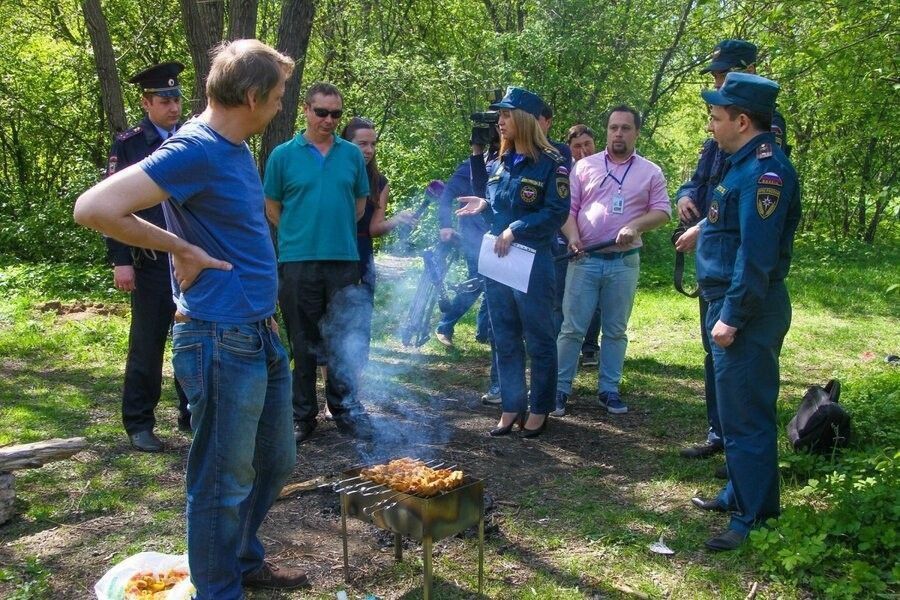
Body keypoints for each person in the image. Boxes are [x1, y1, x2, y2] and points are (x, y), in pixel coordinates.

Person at [75, 39, 306, 596]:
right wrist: (180, 248)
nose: (280, 107)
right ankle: (218, 588)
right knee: (221, 483)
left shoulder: (232, 147)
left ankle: (241, 560)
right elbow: (95, 208)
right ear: (251, 96)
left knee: (275, 460)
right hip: (220, 340)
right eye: (276, 98)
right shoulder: (196, 149)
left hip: (258, 331)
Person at [683, 72, 800, 551]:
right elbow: (727, 232)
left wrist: (731, 316)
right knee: (732, 413)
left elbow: (756, 257)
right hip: (724, 301)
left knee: (748, 414)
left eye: (716, 117)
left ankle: (754, 517)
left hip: (746, 311)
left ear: (743, 120)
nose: (711, 125)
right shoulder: (739, 163)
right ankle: (738, 490)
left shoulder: (765, 173)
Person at [675, 39, 791, 461]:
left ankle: (744, 476)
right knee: (719, 364)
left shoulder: (761, 133)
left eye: (725, 73)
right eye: (717, 74)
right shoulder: (724, 129)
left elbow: (752, 221)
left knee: (742, 384)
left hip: (734, 274)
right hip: (719, 272)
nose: (719, 80)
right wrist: (687, 195)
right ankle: (722, 435)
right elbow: (702, 177)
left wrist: (705, 227)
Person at [456, 86, 570, 439]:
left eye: (506, 116)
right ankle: (511, 405)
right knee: (503, 335)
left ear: (522, 119)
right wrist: (484, 204)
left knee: (538, 337)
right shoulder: (501, 162)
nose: (500, 122)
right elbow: (503, 203)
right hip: (498, 262)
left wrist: (516, 229)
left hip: (532, 262)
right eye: (499, 116)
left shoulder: (551, 165)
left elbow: (556, 212)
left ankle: (539, 408)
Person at [264, 82, 373, 444]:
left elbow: (359, 206)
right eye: (322, 112)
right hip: (297, 261)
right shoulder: (282, 155)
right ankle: (302, 415)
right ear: (307, 111)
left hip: (343, 260)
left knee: (343, 338)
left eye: (336, 114)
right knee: (302, 340)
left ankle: (345, 410)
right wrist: (301, 235)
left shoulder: (351, 155)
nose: (329, 120)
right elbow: (273, 208)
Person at [554, 105, 671, 417]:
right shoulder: (583, 167)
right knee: (571, 329)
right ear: (606, 130)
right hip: (585, 259)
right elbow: (568, 209)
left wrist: (635, 226)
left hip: (624, 262)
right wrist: (573, 237)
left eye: (625, 128)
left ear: (636, 132)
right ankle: (559, 389)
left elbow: (662, 211)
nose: (618, 133)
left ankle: (609, 389)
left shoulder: (651, 171)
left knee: (615, 330)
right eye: (613, 127)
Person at [105, 62, 191, 452]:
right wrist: (120, 257)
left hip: (190, 257)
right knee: (148, 343)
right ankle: (139, 422)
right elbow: (110, 205)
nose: (173, 106)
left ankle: (192, 413)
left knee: (191, 338)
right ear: (146, 102)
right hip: (151, 259)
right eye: (164, 99)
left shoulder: (192, 138)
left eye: (176, 98)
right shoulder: (130, 143)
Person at [341, 116, 416, 367]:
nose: (369, 150)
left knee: (360, 321)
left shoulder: (379, 182)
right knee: (332, 320)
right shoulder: (330, 173)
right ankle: (332, 397)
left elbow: (374, 228)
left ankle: (355, 391)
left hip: (362, 254)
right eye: (362, 144)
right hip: (331, 250)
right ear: (345, 142)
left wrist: (398, 219)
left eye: (373, 144)